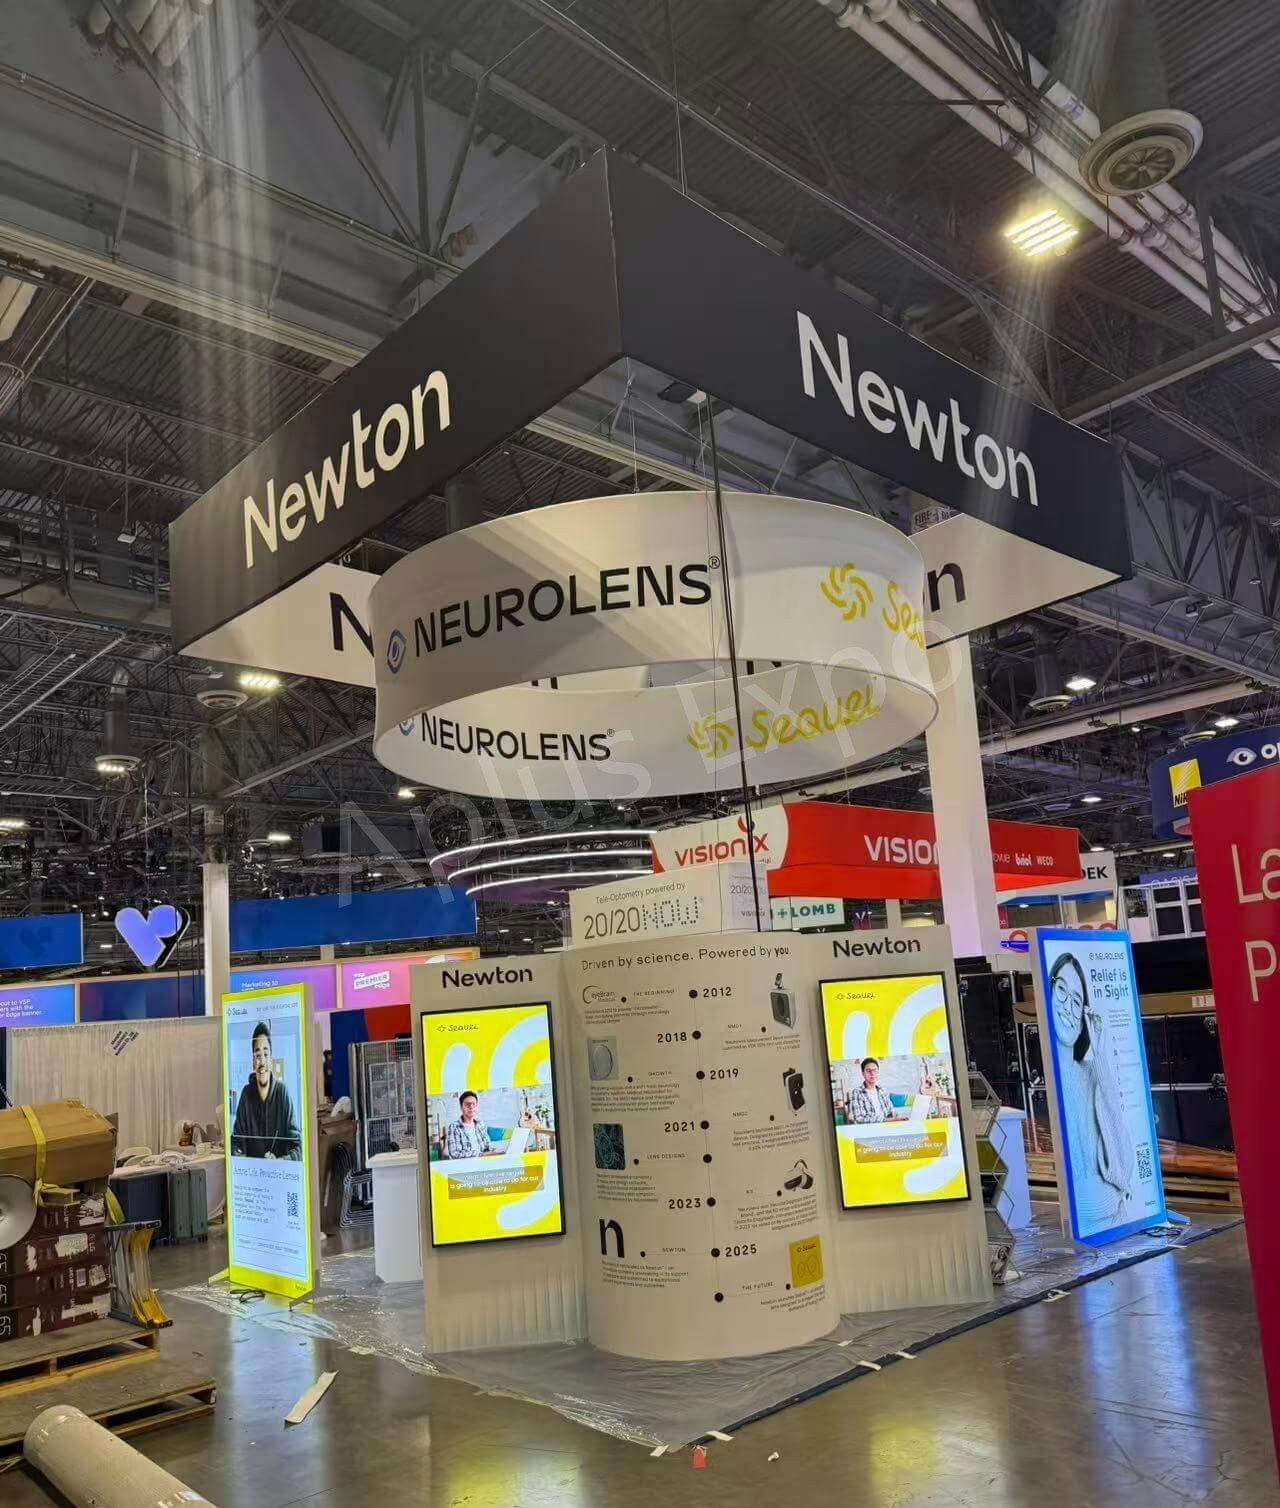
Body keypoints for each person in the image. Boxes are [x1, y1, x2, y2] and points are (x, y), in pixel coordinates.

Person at [1048, 951, 1135, 1228]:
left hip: (1112, 1222)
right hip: (1082, 1225)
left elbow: (1122, 1164)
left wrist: (1099, 1056)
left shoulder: (1090, 1073)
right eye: (1062, 990)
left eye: (1077, 1001)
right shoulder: (1047, 1083)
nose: (1068, 1007)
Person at [230, 1020, 302, 1160]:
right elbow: (236, 1143)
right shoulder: (246, 1094)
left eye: (266, 1054)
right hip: (253, 1172)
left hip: (279, 1171)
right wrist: (242, 1157)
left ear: (271, 1059)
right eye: (257, 1056)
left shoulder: (282, 1092)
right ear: (253, 1061)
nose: (262, 1061)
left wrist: (281, 1161)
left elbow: (299, 1148)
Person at [442, 1090, 492, 1159]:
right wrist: (480, 1154)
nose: (471, 1107)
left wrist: (493, 1150)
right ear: (461, 1107)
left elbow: (488, 1145)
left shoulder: (481, 1124)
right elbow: (454, 1154)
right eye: (467, 1104)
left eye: (473, 1104)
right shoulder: (454, 1126)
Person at [849, 1057, 896, 1123]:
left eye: (875, 1070)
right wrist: (885, 1120)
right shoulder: (857, 1092)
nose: (872, 1073)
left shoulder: (882, 1090)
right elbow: (858, 1119)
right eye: (868, 1071)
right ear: (863, 1073)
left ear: (878, 1072)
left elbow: (892, 1112)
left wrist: (898, 1119)